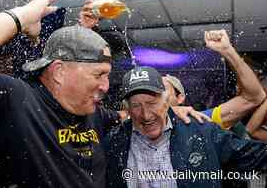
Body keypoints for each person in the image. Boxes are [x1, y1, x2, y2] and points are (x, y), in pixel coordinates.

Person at [0, 0, 209, 187]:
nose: (107, 87)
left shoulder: (92, 112)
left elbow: (128, 116)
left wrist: (169, 110)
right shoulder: (14, 100)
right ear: (58, 72)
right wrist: (20, 17)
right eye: (100, 75)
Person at [106, 66, 267, 188]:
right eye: (136, 106)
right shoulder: (113, 143)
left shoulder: (202, 130)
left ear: (165, 101)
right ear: (127, 109)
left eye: (152, 103)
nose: (146, 115)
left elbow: (257, 156)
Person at [162, 30, 266, 129]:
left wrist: (228, 51)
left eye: (162, 89)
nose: (156, 94)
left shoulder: (198, 121)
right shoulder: (145, 127)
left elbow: (253, 97)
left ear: (180, 98)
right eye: (147, 91)